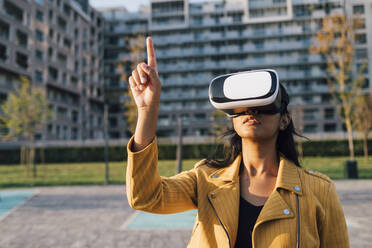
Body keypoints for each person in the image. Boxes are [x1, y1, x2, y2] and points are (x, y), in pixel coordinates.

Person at [126, 37, 350, 248]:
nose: (251, 111)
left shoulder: (319, 190)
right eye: (242, 106)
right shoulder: (205, 180)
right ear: (232, 117)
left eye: (264, 105)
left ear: (284, 120)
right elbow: (145, 197)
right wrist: (147, 110)